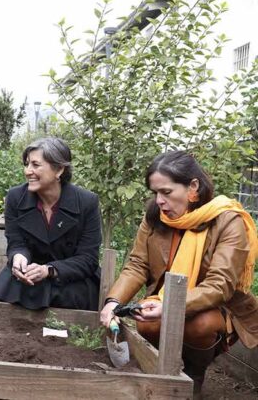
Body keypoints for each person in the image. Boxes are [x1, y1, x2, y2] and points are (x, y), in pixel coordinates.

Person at [100, 151, 258, 396]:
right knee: (147, 324)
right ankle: (163, 372)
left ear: (192, 186)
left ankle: (194, 376)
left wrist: (170, 305)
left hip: (214, 307)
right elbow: (137, 265)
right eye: (155, 193)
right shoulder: (155, 217)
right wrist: (113, 302)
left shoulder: (227, 221)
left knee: (199, 325)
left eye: (166, 192)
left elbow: (220, 285)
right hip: (163, 300)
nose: (160, 201)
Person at [0, 137, 102, 310]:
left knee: (71, 328)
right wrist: (19, 258)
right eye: (26, 164)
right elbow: (16, 242)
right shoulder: (16, 198)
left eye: (35, 165)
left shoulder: (86, 202)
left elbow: (88, 259)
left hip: (70, 279)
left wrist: (49, 270)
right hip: (28, 278)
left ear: (59, 170)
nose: (28, 171)